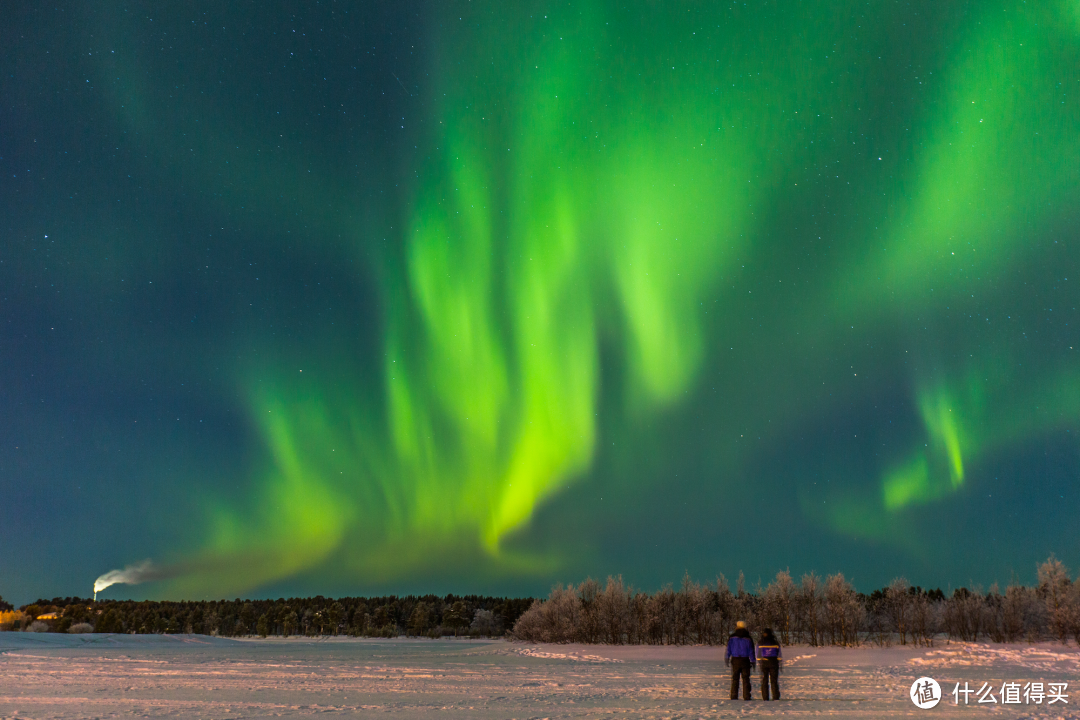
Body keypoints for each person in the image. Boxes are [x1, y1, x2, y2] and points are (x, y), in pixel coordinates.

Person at [725, 620, 755, 700]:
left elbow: (729, 649)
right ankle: (746, 696)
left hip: (735, 660)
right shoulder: (748, 638)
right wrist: (753, 660)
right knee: (746, 679)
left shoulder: (732, 637)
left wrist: (727, 657)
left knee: (735, 679)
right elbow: (751, 650)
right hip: (745, 660)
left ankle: (734, 696)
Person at [757, 627, 782, 700]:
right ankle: (776, 696)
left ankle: (765, 697)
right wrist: (780, 663)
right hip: (774, 662)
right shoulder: (775, 642)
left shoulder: (760, 642)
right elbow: (779, 654)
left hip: (764, 662)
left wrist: (759, 662)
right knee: (774, 680)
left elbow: (758, 654)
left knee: (764, 681)